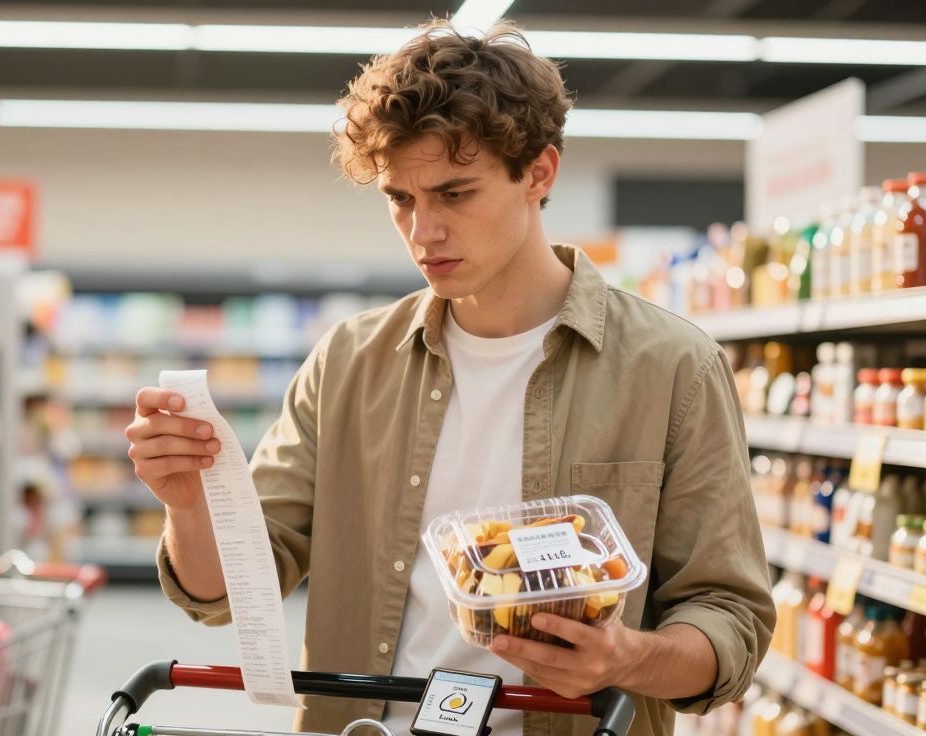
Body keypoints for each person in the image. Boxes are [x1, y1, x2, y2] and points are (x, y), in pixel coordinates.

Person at [126, 19, 774, 736]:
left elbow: (731, 622)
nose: (421, 232)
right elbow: (226, 594)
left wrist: (624, 658)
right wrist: (189, 504)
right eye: (400, 199)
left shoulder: (672, 368)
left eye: (454, 194)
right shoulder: (347, 363)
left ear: (539, 173)